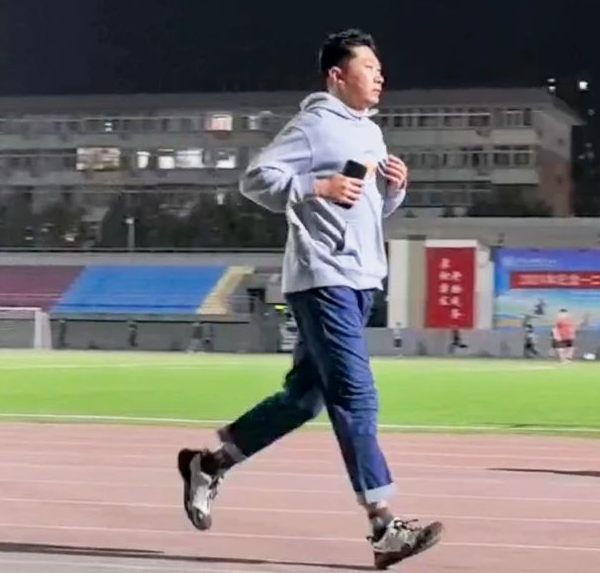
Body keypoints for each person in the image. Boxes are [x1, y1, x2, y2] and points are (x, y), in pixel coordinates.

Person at [176, 29, 442, 569]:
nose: (380, 75)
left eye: (380, 67)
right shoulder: (315, 125)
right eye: (369, 67)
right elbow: (256, 179)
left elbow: (365, 212)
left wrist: (395, 191)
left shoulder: (370, 132)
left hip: (360, 280)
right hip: (324, 280)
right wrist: (315, 187)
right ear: (337, 76)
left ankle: (211, 464)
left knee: (304, 399)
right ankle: (383, 526)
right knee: (356, 395)